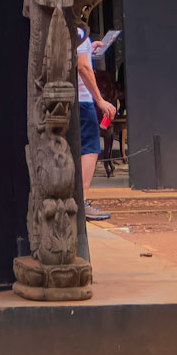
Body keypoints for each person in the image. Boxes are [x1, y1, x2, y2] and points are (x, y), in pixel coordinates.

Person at [76, 21, 117, 220]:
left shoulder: (71, 31)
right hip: (82, 100)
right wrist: (100, 100)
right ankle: (81, 199)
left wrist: (88, 49)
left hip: (71, 99)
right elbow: (82, 66)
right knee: (90, 148)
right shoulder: (79, 31)